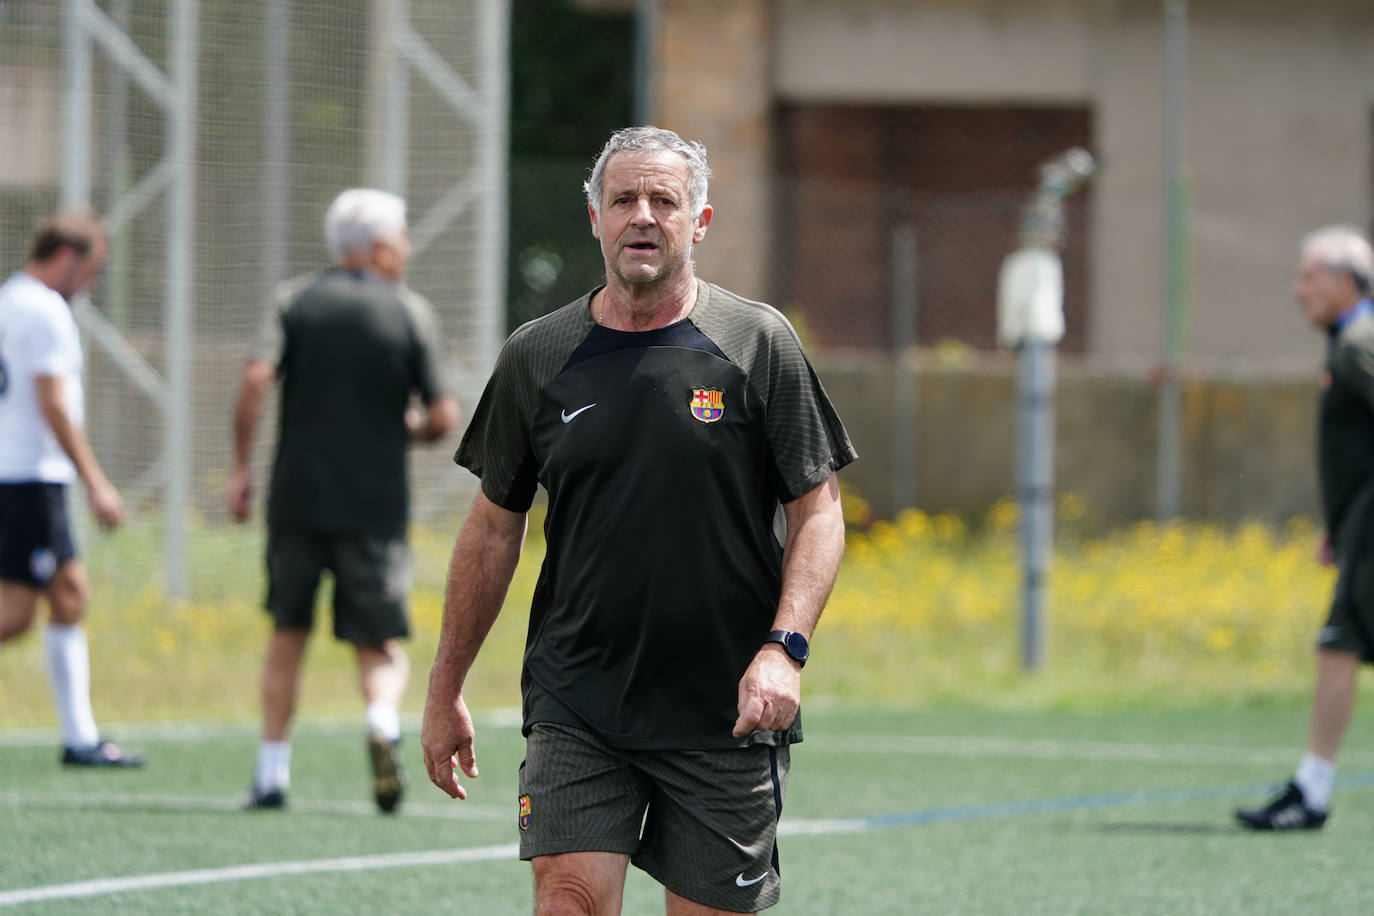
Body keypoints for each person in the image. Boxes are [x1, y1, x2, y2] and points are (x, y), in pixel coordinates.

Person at [421, 126, 856, 914]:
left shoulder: (758, 344)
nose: (643, 216)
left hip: (723, 709)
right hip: (577, 699)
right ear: (595, 218)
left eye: (665, 200)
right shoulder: (538, 354)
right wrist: (445, 686)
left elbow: (818, 511)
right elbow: (493, 526)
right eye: (624, 199)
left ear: (701, 220)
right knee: (569, 899)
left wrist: (784, 649)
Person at [228, 188, 459, 813]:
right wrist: (401, 427)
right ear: (382, 249)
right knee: (378, 643)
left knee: (288, 631)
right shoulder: (409, 312)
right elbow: (443, 416)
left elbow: (255, 379)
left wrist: (239, 470)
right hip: (374, 506)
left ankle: (271, 771)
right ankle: (382, 722)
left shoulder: (294, 300)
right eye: (404, 237)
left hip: (296, 498)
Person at [1236, 225, 1374, 830]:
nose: (1298, 290)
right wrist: (1338, 523)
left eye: (1309, 277)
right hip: (1361, 530)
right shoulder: (1346, 343)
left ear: (1345, 282)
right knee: (1338, 648)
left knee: (1339, 647)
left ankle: (1311, 792)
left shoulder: (1361, 344)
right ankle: (1311, 791)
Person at [0, 209, 143, 768]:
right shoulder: (44, 310)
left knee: (69, 595)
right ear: (67, 255)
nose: (90, 283)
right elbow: (52, 402)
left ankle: (80, 738)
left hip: (20, 475)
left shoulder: (9, 298)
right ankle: (80, 737)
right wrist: (96, 481)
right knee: (15, 614)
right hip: (34, 476)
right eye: (92, 270)